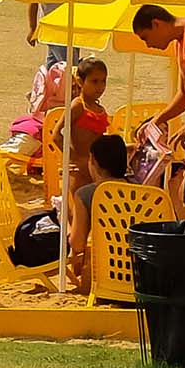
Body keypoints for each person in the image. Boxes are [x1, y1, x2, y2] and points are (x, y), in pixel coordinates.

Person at [135, 4, 185, 218]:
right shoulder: (180, 42)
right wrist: (157, 120)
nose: (149, 44)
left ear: (157, 23)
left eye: (146, 37)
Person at [66, 132, 129, 293]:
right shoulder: (143, 191)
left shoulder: (86, 194)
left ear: (93, 160)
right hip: (138, 274)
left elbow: (77, 244)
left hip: (102, 275)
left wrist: (66, 217)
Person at [64, 58, 110, 196]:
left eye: (103, 81)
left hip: (96, 169)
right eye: (94, 81)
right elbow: (57, 135)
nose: (100, 87)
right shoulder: (78, 106)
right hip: (79, 171)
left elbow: (99, 141)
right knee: (77, 208)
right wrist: (76, 159)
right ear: (80, 81)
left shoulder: (99, 109)